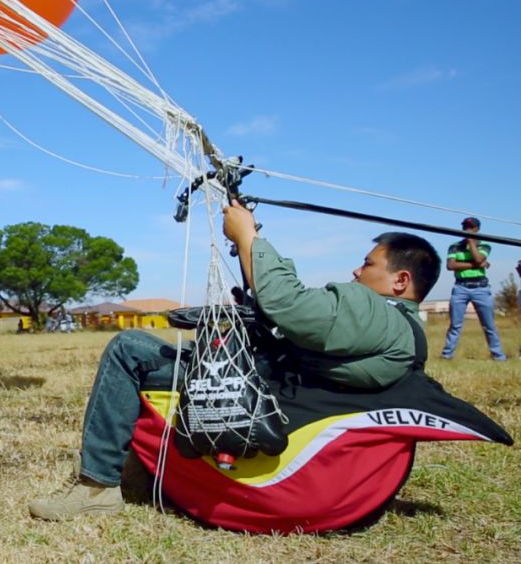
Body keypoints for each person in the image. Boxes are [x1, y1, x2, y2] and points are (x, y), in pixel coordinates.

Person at [27, 200, 442, 521]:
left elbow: (288, 303)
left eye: (368, 264)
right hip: (282, 388)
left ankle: (97, 488)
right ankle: (134, 467)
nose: (356, 271)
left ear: (400, 281)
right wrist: (249, 248)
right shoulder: (402, 331)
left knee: (130, 346)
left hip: (261, 397)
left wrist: (248, 237)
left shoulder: (377, 314)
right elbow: (292, 318)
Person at [440, 217, 506, 361]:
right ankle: (447, 355)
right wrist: (478, 265)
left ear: (477, 229)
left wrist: (471, 243)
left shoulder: (485, 245)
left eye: (471, 227)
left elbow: (478, 258)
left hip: (481, 288)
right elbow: (451, 266)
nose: (467, 230)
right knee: (455, 325)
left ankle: (498, 356)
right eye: (465, 227)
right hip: (460, 288)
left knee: (489, 325)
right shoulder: (455, 246)